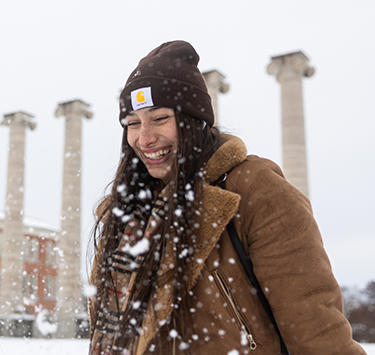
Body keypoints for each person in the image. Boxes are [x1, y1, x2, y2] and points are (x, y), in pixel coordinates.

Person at [88, 40, 366, 355]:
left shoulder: (254, 190)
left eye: (160, 118)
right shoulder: (124, 214)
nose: (145, 138)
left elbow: (316, 328)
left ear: (193, 121)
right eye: (133, 124)